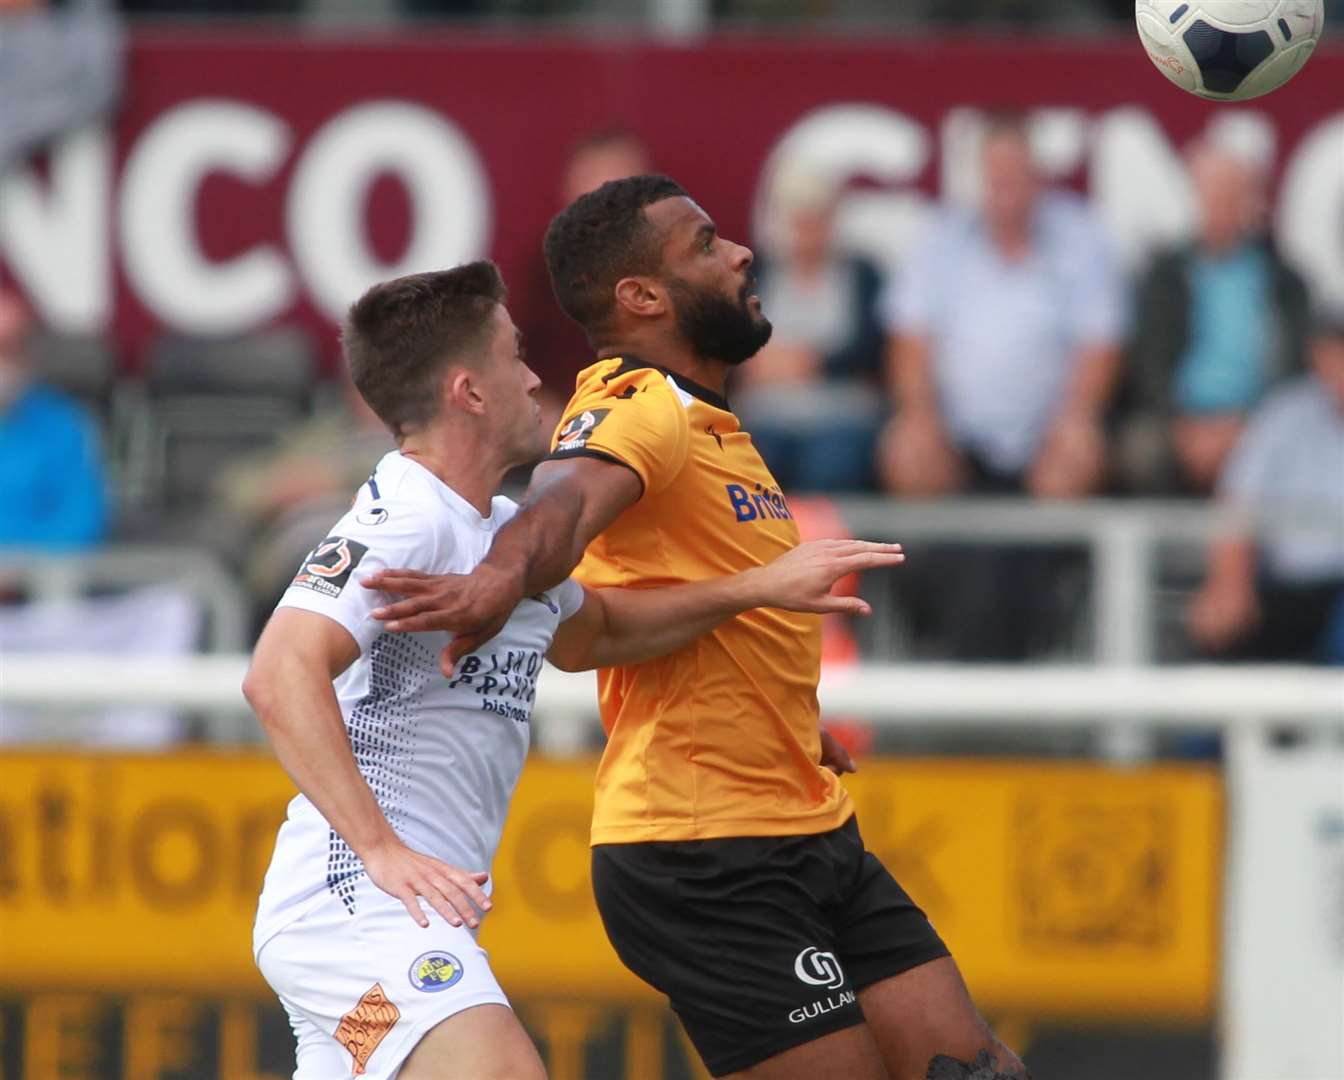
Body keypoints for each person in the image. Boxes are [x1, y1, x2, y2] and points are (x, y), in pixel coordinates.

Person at [365, 178, 1028, 1080]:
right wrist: (498, 578)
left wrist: (785, 718)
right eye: (706, 244)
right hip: (701, 855)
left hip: (806, 824)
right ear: (641, 296)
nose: (741, 252)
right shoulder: (637, 402)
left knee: (974, 1067)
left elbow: (653, 611)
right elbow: (559, 506)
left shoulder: (713, 425)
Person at [244, 260, 902, 1080]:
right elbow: (277, 675)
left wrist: (758, 589)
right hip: (356, 907)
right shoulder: (406, 518)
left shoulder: (501, 531)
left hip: (396, 922)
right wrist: (377, 849)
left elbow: (599, 632)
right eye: (513, 357)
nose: (532, 378)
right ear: (470, 393)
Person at [878, 112, 1124, 660]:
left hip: (1048, 436)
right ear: (980, 177)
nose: (1007, 184)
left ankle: (1042, 626)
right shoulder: (940, 240)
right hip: (956, 438)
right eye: (997, 172)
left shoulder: (1081, 238)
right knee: (907, 451)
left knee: (1080, 455)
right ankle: (930, 612)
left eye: (1018, 170)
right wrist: (922, 416)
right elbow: (909, 343)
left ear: (1038, 175)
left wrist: (1074, 419)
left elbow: (1100, 347)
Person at [1124, 137, 1310, 495]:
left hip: (1258, 422)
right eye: (1214, 193)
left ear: (1253, 201)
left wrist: (1249, 425)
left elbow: (1295, 369)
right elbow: (1147, 364)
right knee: (1141, 450)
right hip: (1176, 422)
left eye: (1234, 194)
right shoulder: (1164, 277)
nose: (1222, 206)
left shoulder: (1284, 282)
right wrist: (1184, 424)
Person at [1186, 310, 1344, 664]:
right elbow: (1237, 505)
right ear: (1319, 353)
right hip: (1288, 590)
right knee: (1219, 629)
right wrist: (1228, 582)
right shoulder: (1284, 414)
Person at [734, 166, 887, 492]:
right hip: (764, 415)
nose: (807, 230)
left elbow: (873, 349)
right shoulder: (754, 273)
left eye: (816, 217)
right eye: (798, 218)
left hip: (841, 415)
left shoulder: (862, 275)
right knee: (749, 467)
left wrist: (811, 363)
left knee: (830, 469)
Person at [0, 290, 108, 550]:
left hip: (39, 582)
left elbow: (82, 519)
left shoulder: (62, 425)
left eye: (10, 347)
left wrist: (16, 567)